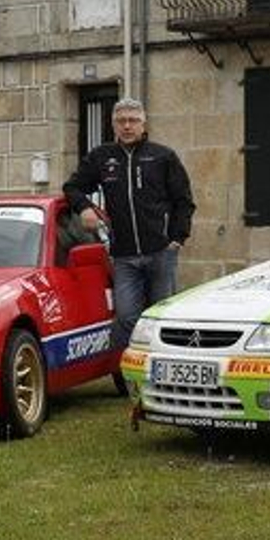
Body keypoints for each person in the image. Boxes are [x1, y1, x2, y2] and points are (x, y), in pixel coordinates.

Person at [63, 97, 195, 351]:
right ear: (114, 125)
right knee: (125, 317)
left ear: (143, 124)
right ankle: (133, 370)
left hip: (161, 253)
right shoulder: (102, 157)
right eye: (121, 121)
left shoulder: (163, 156)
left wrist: (177, 239)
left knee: (161, 318)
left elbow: (184, 201)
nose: (127, 126)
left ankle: (161, 368)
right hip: (124, 257)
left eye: (133, 120)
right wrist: (85, 207)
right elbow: (73, 187)